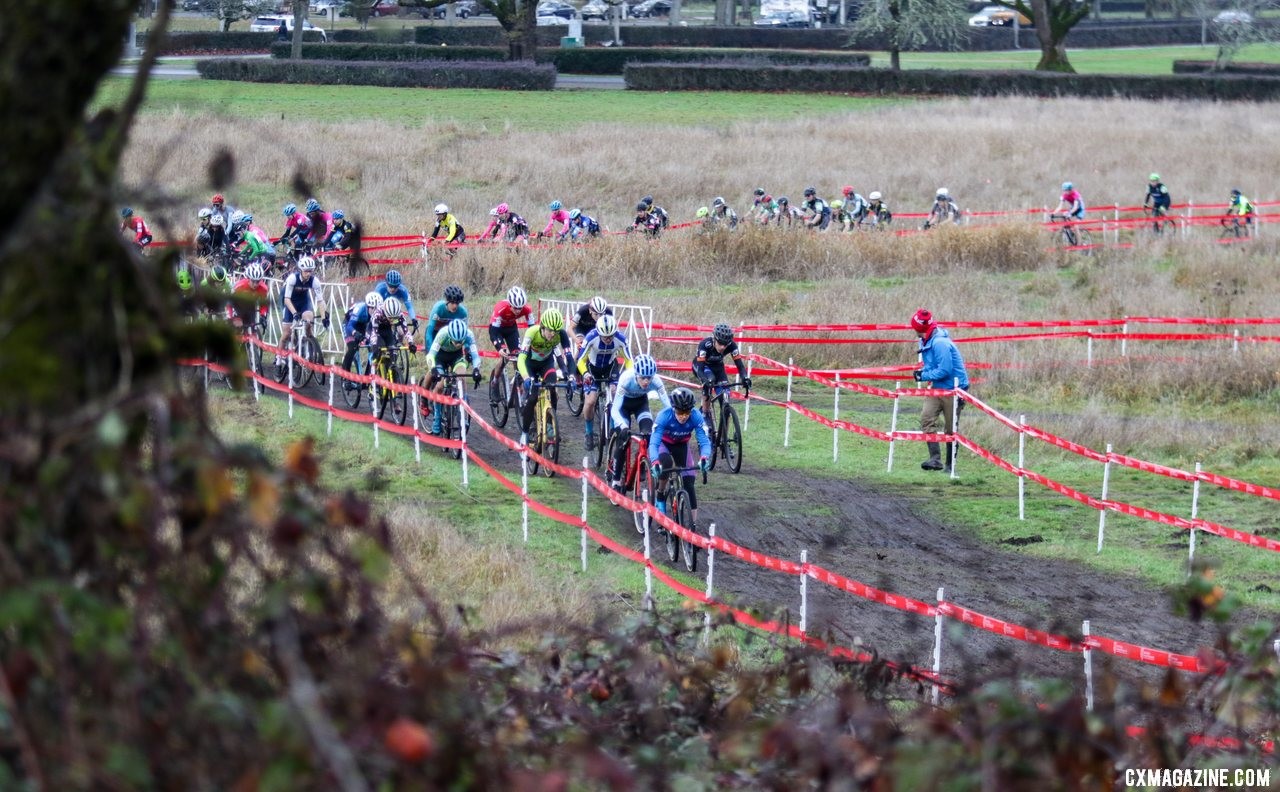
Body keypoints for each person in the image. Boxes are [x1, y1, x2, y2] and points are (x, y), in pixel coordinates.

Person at [910, 309, 969, 473]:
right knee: (927, 419)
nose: (913, 330)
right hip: (937, 387)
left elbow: (945, 370)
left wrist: (923, 376)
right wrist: (925, 373)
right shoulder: (925, 340)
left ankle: (950, 466)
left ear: (919, 328)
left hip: (954, 389)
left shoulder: (940, 343)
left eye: (914, 327)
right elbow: (933, 366)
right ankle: (935, 459)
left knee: (951, 430)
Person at [648, 386, 712, 528]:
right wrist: (654, 461)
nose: (683, 416)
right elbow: (653, 443)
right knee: (665, 464)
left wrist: (704, 457)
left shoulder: (696, 416)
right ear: (673, 408)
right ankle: (660, 494)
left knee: (689, 482)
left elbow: (704, 441)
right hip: (663, 444)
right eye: (680, 412)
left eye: (687, 412)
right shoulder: (664, 416)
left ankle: (692, 527)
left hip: (682, 445)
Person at [608, 353, 671, 492]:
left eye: (649, 378)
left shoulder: (657, 381)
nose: (646, 381)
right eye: (643, 378)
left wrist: (672, 422)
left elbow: (668, 407)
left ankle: (642, 463)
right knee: (623, 440)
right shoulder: (626, 379)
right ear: (636, 374)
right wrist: (623, 426)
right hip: (623, 406)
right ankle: (616, 480)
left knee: (648, 433)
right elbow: (615, 410)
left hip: (641, 404)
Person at [575, 313, 632, 450]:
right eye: (605, 336)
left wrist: (630, 375)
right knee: (590, 401)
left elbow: (629, 360)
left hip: (610, 368)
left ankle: (612, 428)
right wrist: (585, 373)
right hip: (592, 369)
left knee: (614, 393)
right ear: (599, 332)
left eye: (611, 336)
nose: (608, 339)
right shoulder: (590, 338)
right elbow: (580, 361)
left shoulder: (620, 339)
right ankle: (589, 432)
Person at [516, 307, 572, 435]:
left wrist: (567, 374)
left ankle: (551, 423)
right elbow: (521, 358)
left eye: (556, 331)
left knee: (552, 388)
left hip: (546, 365)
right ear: (542, 327)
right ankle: (524, 433)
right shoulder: (532, 332)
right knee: (533, 398)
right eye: (550, 330)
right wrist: (525, 377)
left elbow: (559, 357)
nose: (553, 334)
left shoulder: (558, 336)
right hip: (529, 364)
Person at [422, 318, 483, 435]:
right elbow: (430, 355)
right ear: (450, 336)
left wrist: (476, 369)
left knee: (462, 377)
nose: (458, 344)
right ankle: (437, 416)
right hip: (440, 358)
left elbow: (475, 356)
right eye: (455, 341)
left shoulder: (469, 334)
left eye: (460, 342)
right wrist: (433, 369)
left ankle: (463, 411)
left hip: (456, 357)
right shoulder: (443, 333)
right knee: (440, 385)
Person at [275, 256, 328, 370]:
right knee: (287, 334)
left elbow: (320, 301)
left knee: (309, 321)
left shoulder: (315, 281)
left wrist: (324, 317)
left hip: (304, 301)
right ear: (300, 270)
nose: (308, 274)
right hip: (288, 301)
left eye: (310, 271)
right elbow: (286, 299)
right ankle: (278, 360)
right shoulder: (292, 279)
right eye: (306, 271)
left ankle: (307, 346)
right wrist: (294, 313)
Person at [692, 322, 750, 413]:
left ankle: (724, 424)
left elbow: (740, 366)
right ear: (714, 338)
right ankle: (705, 413)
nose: (723, 347)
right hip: (702, 366)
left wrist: (745, 378)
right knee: (710, 380)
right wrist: (704, 380)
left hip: (718, 367)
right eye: (720, 343)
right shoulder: (705, 345)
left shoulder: (732, 345)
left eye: (725, 344)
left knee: (725, 398)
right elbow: (700, 370)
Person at [488, 285, 533, 384]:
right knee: (506, 356)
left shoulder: (527, 309)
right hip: (497, 330)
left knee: (518, 356)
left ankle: (518, 384)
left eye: (520, 308)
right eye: (515, 308)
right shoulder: (500, 308)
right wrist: (499, 347)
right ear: (510, 304)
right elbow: (493, 332)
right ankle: (495, 381)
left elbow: (532, 328)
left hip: (511, 329)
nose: (518, 311)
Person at [340, 291, 383, 391]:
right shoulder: (360, 308)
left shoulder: (378, 313)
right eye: (372, 308)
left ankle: (367, 376)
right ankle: (346, 377)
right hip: (349, 324)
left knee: (373, 347)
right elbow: (350, 326)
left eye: (377, 308)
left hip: (363, 326)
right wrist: (355, 333)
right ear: (368, 306)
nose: (375, 311)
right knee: (352, 347)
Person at [227, 262, 270, 331]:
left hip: (250, 307)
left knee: (252, 327)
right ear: (248, 278)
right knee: (237, 326)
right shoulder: (239, 286)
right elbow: (229, 302)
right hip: (237, 305)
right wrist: (230, 316)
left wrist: (263, 316)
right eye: (253, 281)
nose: (255, 284)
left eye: (257, 281)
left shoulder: (263, 288)